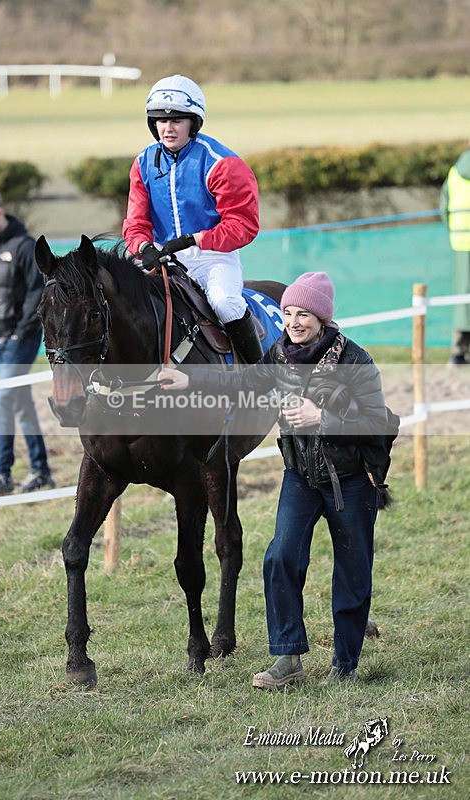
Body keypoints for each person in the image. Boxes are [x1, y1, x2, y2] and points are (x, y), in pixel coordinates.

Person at [158, 272, 394, 687]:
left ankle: (345, 666)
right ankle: (288, 661)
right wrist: (189, 378)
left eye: (304, 314)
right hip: (300, 477)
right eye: (288, 313)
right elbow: (241, 382)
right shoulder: (280, 355)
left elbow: (381, 422)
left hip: (352, 481)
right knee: (279, 558)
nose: (294, 322)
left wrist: (324, 417)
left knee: (351, 572)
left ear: (322, 318)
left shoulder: (355, 361)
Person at [122, 74, 263, 364]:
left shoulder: (223, 164)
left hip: (212, 256)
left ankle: (259, 375)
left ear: (193, 123)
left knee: (226, 303)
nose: (168, 128)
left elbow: (243, 225)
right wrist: (143, 247)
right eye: (161, 120)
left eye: (177, 120)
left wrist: (195, 239)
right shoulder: (143, 163)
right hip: (162, 256)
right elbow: (135, 223)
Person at [0, 183, 54, 496]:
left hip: (22, 337)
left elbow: (37, 292)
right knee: (19, 403)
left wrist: (21, 330)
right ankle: (41, 470)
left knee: (3, 399)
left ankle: (2, 472)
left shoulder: (25, 246)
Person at [440, 141, 470, 365]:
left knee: (462, 299)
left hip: (460, 242)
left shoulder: (454, 172)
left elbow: (444, 208)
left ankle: (458, 351)